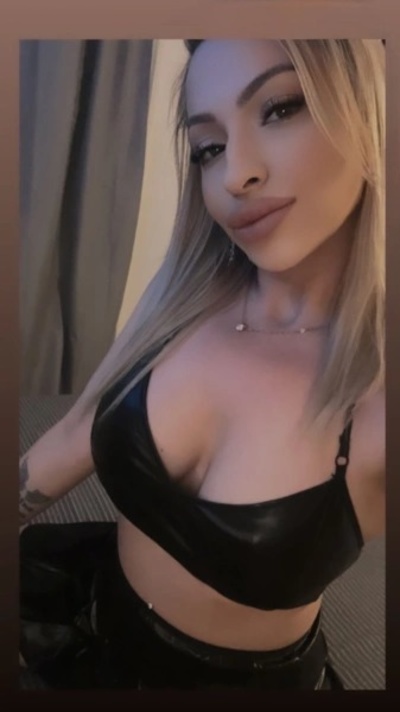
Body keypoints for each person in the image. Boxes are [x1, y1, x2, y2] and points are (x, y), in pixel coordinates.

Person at [19, 39, 385, 690]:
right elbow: (74, 434)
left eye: (280, 108)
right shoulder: (182, 296)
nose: (235, 174)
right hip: (89, 615)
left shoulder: (377, 396)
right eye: (208, 148)